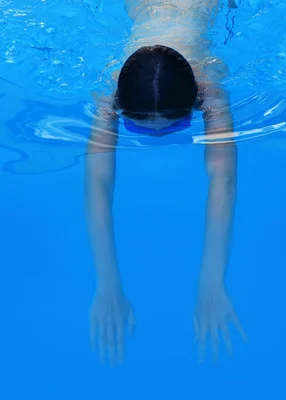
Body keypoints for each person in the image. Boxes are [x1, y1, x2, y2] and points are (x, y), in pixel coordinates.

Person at [85, 0, 246, 364]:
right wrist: (107, 281)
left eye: (173, 127)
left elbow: (224, 178)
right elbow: (97, 183)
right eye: (139, 129)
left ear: (197, 98)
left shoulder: (209, 83)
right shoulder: (109, 93)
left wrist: (212, 279)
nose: (158, 140)